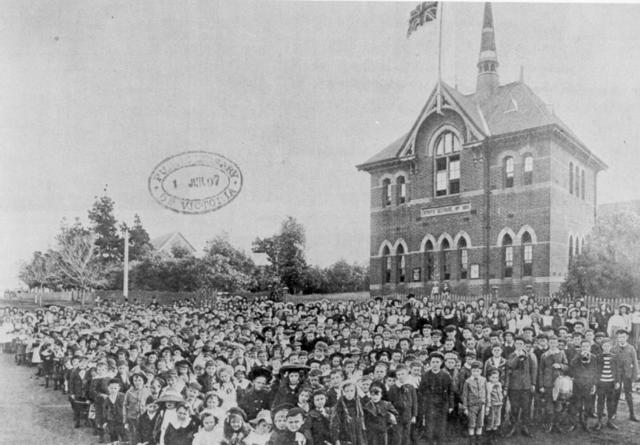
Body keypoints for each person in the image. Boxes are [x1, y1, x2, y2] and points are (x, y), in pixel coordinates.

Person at [418, 351, 454, 445]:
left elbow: (451, 392)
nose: (435, 364)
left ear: (441, 363)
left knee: (441, 427)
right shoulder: (425, 375)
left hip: (442, 405)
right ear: (430, 362)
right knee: (429, 427)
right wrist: (423, 405)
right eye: (433, 362)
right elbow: (421, 392)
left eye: (437, 362)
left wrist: (450, 405)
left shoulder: (446, 376)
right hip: (430, 405)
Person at [505, 337, 537, 438]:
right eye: (517, 343)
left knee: (526, 408)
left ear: (524, 345)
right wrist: (517, 356)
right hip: (514, 386)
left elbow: (533, 370)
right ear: (515, 344)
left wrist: (533, 384)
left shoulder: (530, 355)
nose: (519, 345)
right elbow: (510, 366)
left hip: (526, 386)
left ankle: (525, 427)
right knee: (514, 408)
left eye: (521, 343)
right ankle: (513, 427)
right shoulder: (511, 355)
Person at [611, 328, 639, 422]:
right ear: (617, 338)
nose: (621, 339)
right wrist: (614, 377)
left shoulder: (631, 348)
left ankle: (632, 414)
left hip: (628, 374)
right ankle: (613, 413)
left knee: (629, 394)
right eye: (619, 337)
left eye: (623, 337)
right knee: (616, 394)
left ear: (627, 337)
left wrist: (635, 376)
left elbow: (635, 363)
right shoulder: (614, 349)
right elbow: (612, 364)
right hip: (617, 375)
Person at [387, 364, 417, 445]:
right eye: (398, 374)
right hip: (397, 416)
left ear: (407, 374)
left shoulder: (411, 387)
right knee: (397, 436)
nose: (401, 376)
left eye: (403, 374)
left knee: (406, 435)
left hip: (408, 415)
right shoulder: (393, 388)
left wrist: (414, 415)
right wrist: (391, 415)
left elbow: (414, 401)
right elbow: (389, 403)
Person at [594, 338, 620, 430]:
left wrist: (617, 382)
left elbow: (617, 370)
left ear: (611, 346)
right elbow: (595, 371)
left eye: (608, 345)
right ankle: (599, 421)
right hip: (601, 383)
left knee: (610, 402)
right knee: (600, 402)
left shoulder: (615, 356)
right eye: (604, 346)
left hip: (611, 383)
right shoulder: (598, 357)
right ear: (602, 347)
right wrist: (595, 383)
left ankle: (609, 421)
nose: (606, 347)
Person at [330, 381, 366, 445]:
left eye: (352, 391)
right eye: (347, 391)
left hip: (357, 434)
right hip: (346, 436)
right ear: (343, 392)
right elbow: (335, 424)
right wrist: (336, 440)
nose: (349, 393)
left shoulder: (358, 403)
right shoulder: (340, 405)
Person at [461, 361, 487, 445]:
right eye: (474, 371)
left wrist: (487, 405)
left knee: (480, 423)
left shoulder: (483, 380)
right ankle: (472, 439)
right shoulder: (468, 381)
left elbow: (486, 392)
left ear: (481, 371)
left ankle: (478, 439)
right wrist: (465, 407)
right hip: (472, 405)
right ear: (471, 371)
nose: (476, 373)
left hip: (481, 405)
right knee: (472, 423)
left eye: (478, 371)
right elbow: (464, 395)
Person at [124, 371, 152, 444]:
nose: (137, 382)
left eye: (139, 380)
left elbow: (151, 404)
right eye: (135, 380)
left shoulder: (148, 391)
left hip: (144, 418)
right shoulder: (129, 392)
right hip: (132, 418)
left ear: (143, 381)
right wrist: (125, 420)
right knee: (133, 435)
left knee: (144, 435)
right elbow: (125, 405)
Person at [103, 378, 126, 443]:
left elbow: (126, 408)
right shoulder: (107, 399)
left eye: (115, 388)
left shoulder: (122, 397)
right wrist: (105, 421)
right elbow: (104, 411)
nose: (113, 390)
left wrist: (126, 420)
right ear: (108, 388)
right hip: (111, 421)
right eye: (111, 388)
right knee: (113, 436)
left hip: (121, 420)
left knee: (123, 436)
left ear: (119, 388)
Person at [484, 370, 503, 445]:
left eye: (497, 377)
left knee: (497, 419)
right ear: (489, 378)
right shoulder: (488, 385)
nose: (495, 379)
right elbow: (488, 396)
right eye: (493, 377)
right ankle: (489, 438)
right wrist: (488, 406)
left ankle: (494, 435)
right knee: (491, 420)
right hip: (492, 404)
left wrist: (501, 400)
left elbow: (500, 393)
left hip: (499, 404)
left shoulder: (499, 384)